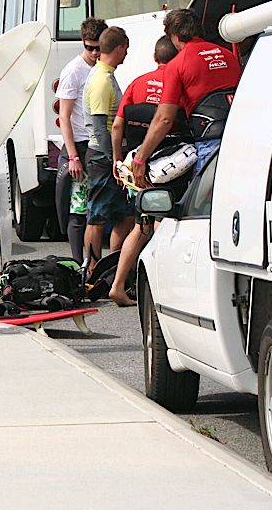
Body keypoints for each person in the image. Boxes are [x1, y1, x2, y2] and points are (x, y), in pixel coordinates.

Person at [132, 8, 242, 187]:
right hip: (241, 139)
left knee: (203, 206)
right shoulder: (228, 55)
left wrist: (140, 158)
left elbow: (164, 118)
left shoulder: (177, 64)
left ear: (174, 36)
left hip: (210, 142)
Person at [108, 36, 180, 306]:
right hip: (168, 166)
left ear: (154, 57)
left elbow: (117, 126)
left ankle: (117, 285)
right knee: (164, 223)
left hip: (137, 167)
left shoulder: (137, 83)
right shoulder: (176, 83)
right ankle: (162, 291)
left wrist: (119, 161)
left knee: (140, 225)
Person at [82, 26, 135, 280]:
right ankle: (91, 270)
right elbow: (100, 127)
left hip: (109, 156)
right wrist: (114, 160)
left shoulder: (105, 74)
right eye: (126, 48)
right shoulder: (102, 79)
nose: (128, 53)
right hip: (102, 157)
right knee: (97, 216)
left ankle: (112, 267)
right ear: (119, 48)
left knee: (124, 216)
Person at [54, 18, 107, 264]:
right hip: (80, 146)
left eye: (99, 48)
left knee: (97, 209)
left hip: (98, 144)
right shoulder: (74, 71)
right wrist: (73, 156)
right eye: (90, 48)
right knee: (79, 209)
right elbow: (64, 117)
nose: (95, 53)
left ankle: (95, 264)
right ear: (82, 44)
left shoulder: (103, 68)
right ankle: (78, 264)